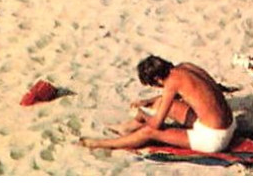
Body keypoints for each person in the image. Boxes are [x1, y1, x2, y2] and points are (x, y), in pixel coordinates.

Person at [78, 56, 235, 154]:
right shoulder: (185, 67)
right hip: (229, 124)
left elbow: (156, 124)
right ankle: (126, 128)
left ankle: (102, 144)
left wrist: (142, 113)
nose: (160, 88)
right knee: (163, 103)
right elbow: (187, 92)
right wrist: (149, 102)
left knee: (148, 132)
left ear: (158, 79)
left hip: (214, 138)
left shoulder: (171, 83)